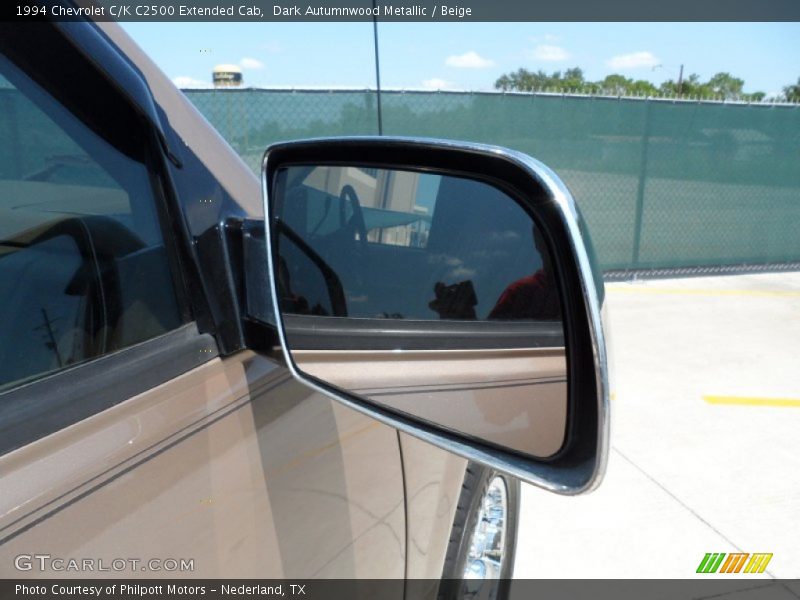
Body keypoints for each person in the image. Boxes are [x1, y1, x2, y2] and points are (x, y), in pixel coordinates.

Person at [488, 226, 561, 320]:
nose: (556, 247)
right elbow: (493, 329)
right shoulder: (520, 291)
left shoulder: (581, 291)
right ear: (538, 244)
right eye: (549, 239)